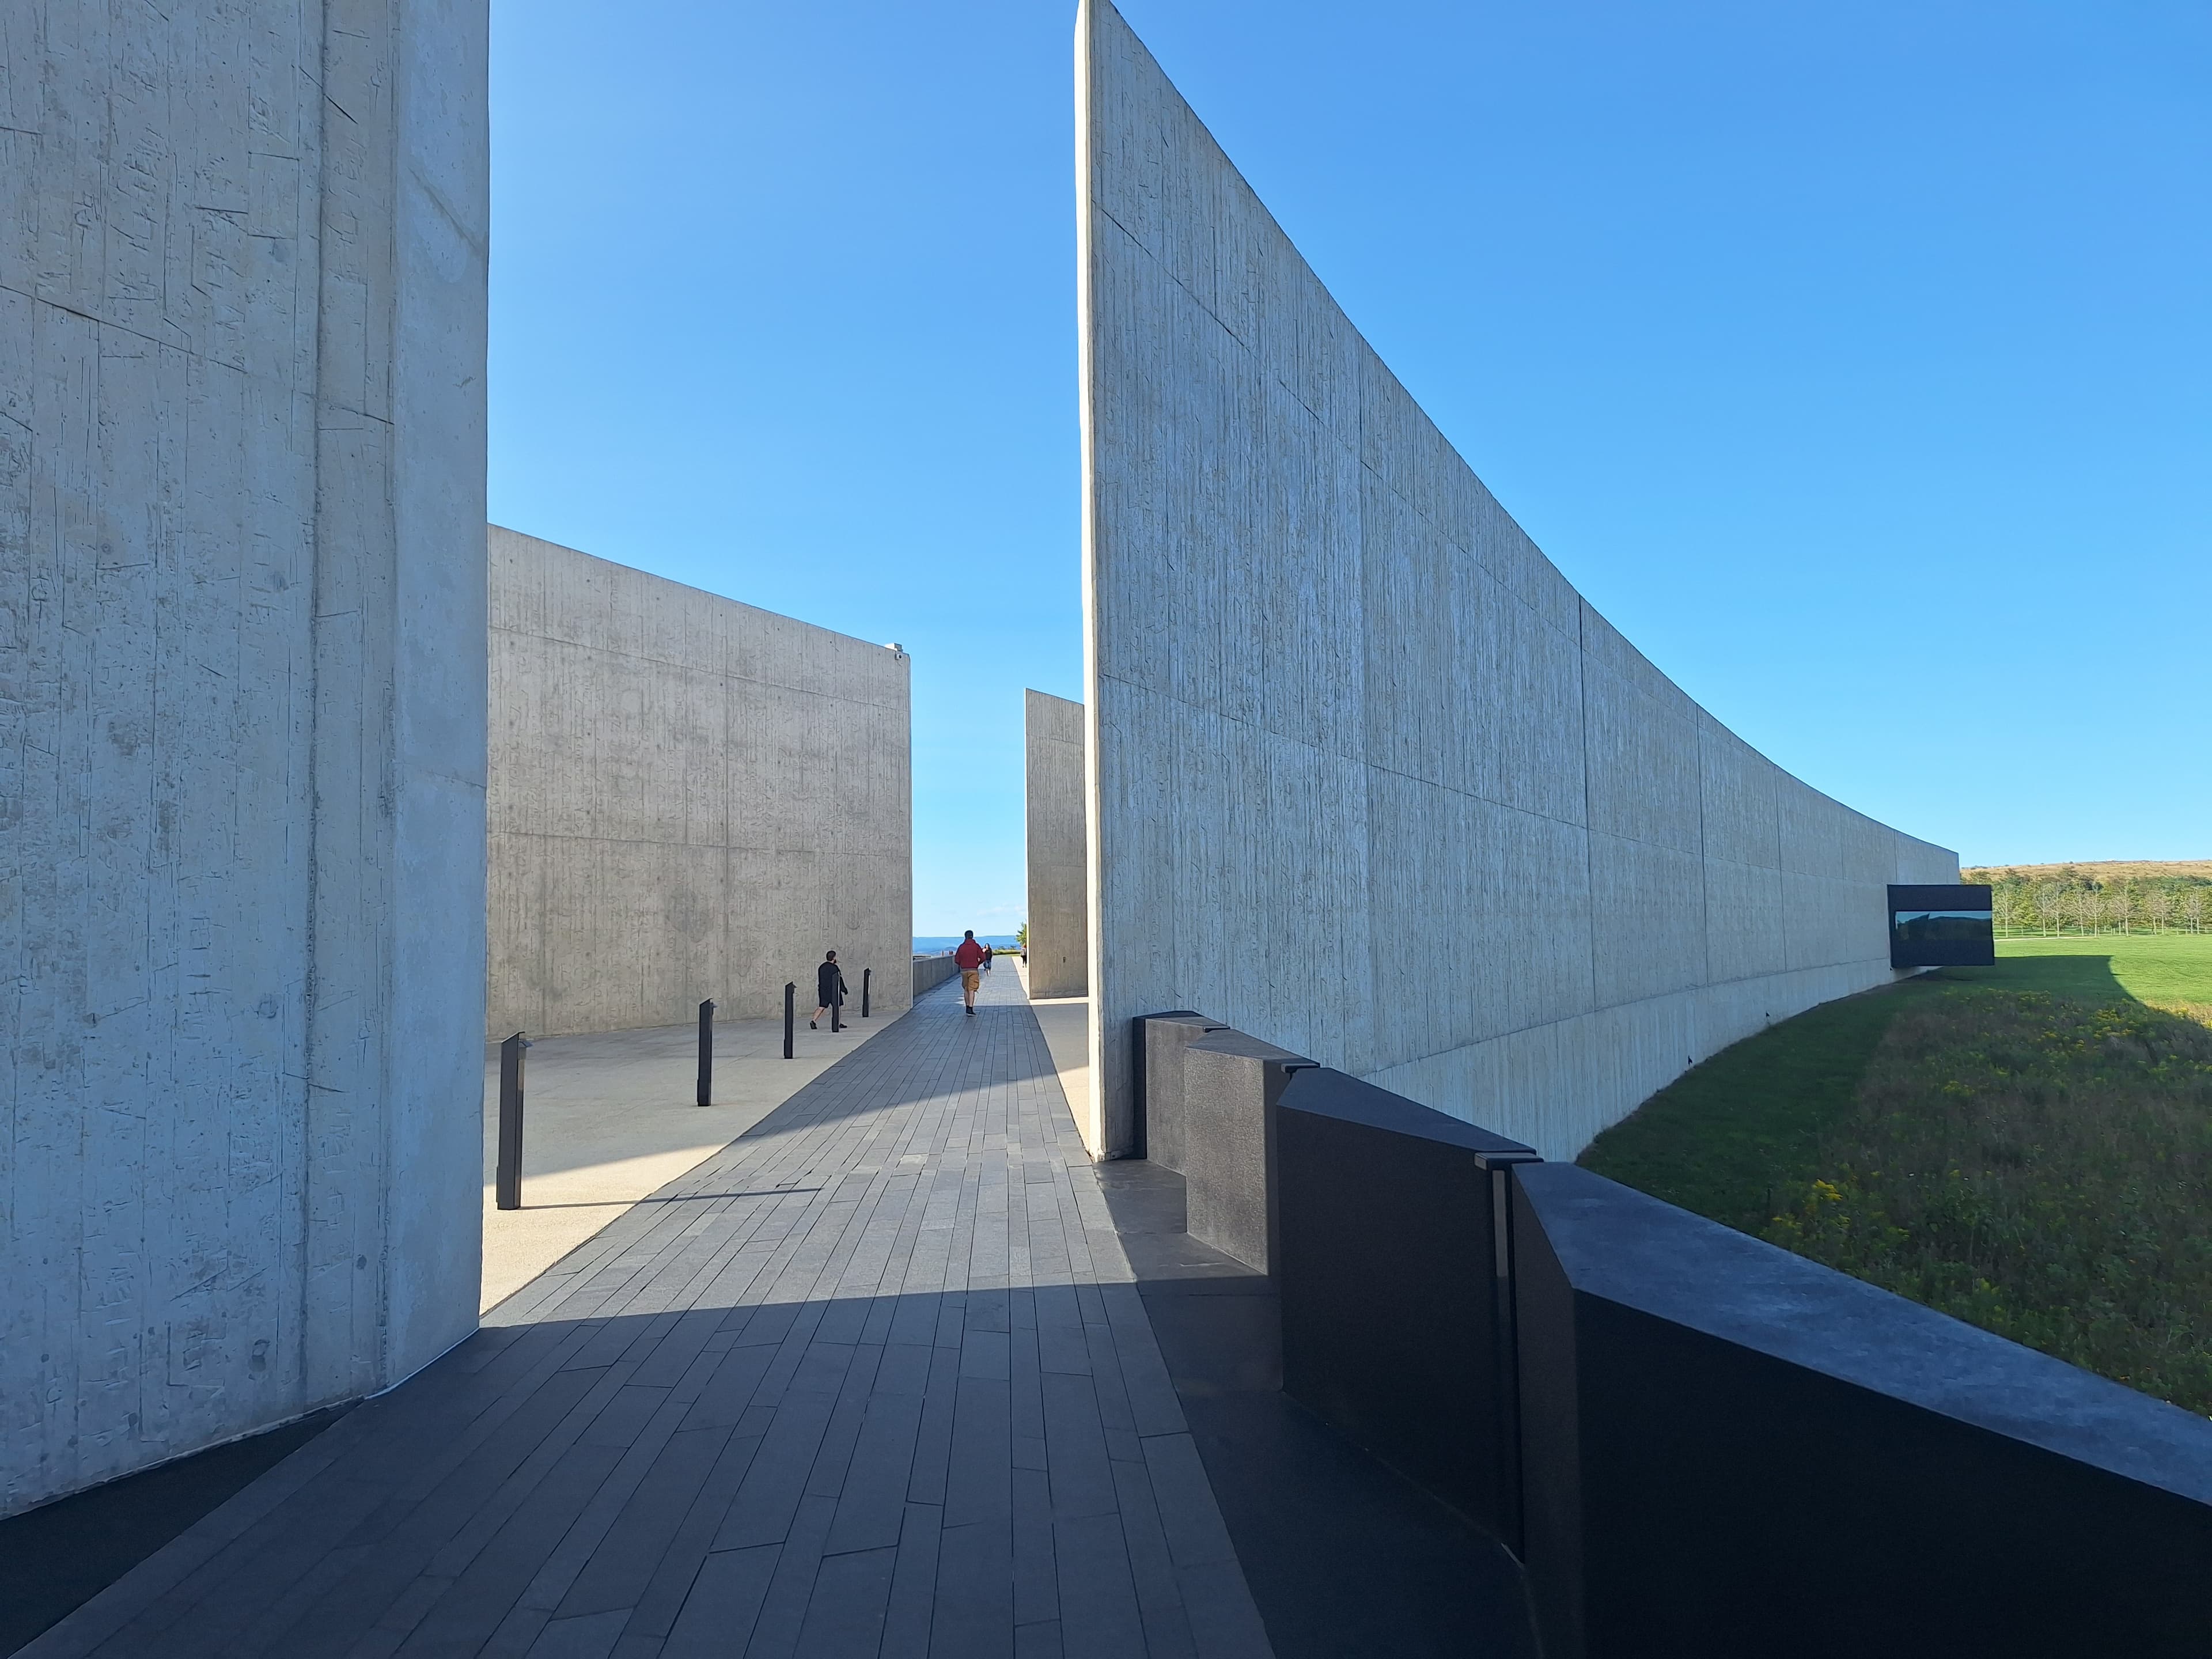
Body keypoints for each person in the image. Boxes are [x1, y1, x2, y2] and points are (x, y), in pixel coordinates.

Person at [953, 930, 986, 1016]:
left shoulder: (961, 947)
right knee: (972, 989)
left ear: (965, 937)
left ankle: (967, 1007)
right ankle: (971, 1009)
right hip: (973, 970)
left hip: (964, 970)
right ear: (972, 936)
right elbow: (983, 957)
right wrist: (977, 964)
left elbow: (957, 960)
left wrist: (962, 964)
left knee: (966, 989)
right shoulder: (976, 946)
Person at [812, 950, 846, 1029]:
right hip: (834, 991)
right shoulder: (835, 968)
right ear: (834, 958)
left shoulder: (822, 967)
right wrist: (844, 989)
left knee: (822, 1006)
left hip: (823, 990)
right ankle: (838, 1023)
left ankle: (813, 1020)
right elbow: (839, 979)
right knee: (837, 1006)